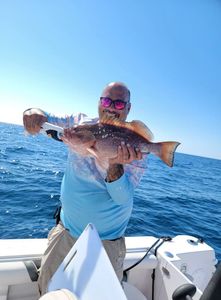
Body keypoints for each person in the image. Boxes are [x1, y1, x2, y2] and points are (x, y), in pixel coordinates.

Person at [23, 82, 148, 295]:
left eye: (118, 103)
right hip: (66, 232)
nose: (111, 107)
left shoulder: (134, 147)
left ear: (128, 108)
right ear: (99, 103)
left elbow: (121, 198)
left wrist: (115, 162)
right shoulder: (80, 123)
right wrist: (32, 113)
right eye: (107, 101)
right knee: (49, 292)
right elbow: (47, 120)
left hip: (106, 243)